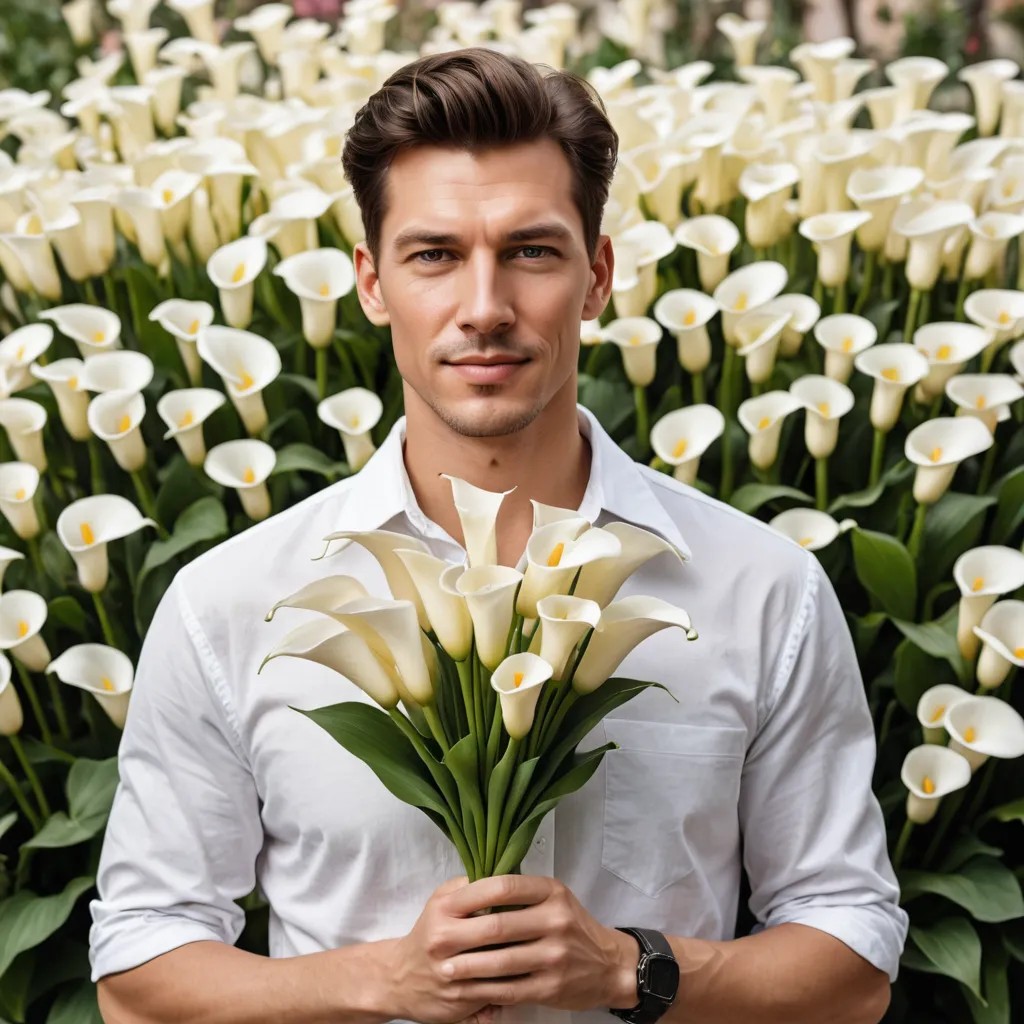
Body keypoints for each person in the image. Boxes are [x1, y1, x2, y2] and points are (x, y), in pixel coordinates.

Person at [90, 47, 907, 1024]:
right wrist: (374, 981)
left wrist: (628, 969)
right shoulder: (230, 602)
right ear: (372, 282)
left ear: (597, 275)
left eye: (531, 251)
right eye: (434, 254)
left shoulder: (759, 587)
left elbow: (852, 960)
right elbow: (137, 969)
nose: (484, 308)